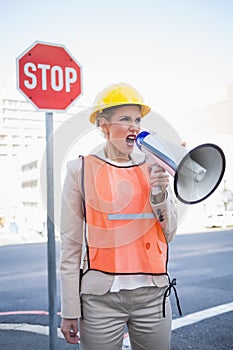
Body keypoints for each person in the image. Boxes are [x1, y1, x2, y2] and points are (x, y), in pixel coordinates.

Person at [60, 82, 180, 350]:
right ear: (104, 125)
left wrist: (160, 191)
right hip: (100, 302)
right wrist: (70, 308)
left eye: (137, 119)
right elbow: (70, 248)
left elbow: (168, 233)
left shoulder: (153, 165)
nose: (134, 126)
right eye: (125, 119)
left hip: (153, 296)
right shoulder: (79, 170)